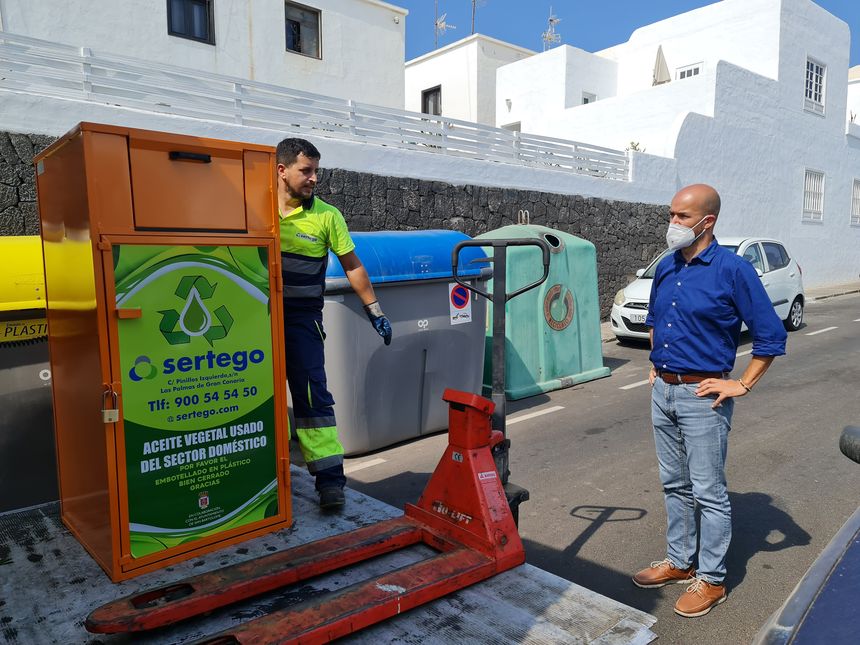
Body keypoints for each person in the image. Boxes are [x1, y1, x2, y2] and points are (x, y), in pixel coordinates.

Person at [632, 184, 787, 617]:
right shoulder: (667, 265)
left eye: (682, 216)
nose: (673, 223)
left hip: (704, 396)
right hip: (663, 391)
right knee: (674, 484)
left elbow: (770, 336)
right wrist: (658, 363)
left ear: (707, 221)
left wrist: (742, 384)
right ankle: (680, 562)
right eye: (671, 214)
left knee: (708, 492)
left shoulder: (734, 270)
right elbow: (656, 319)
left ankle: (713, 580)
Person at [276, 137, 392, 510]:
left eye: (316, 171)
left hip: (302, 320)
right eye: (306, 171)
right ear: (282, 170)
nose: (314, 178)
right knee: (260, 395)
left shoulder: (327, 216)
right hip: (257, 320)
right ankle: (267, 474)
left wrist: (374, 310)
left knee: (313, 396)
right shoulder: (255, 210)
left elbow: (352, 266)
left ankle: (329, 481)